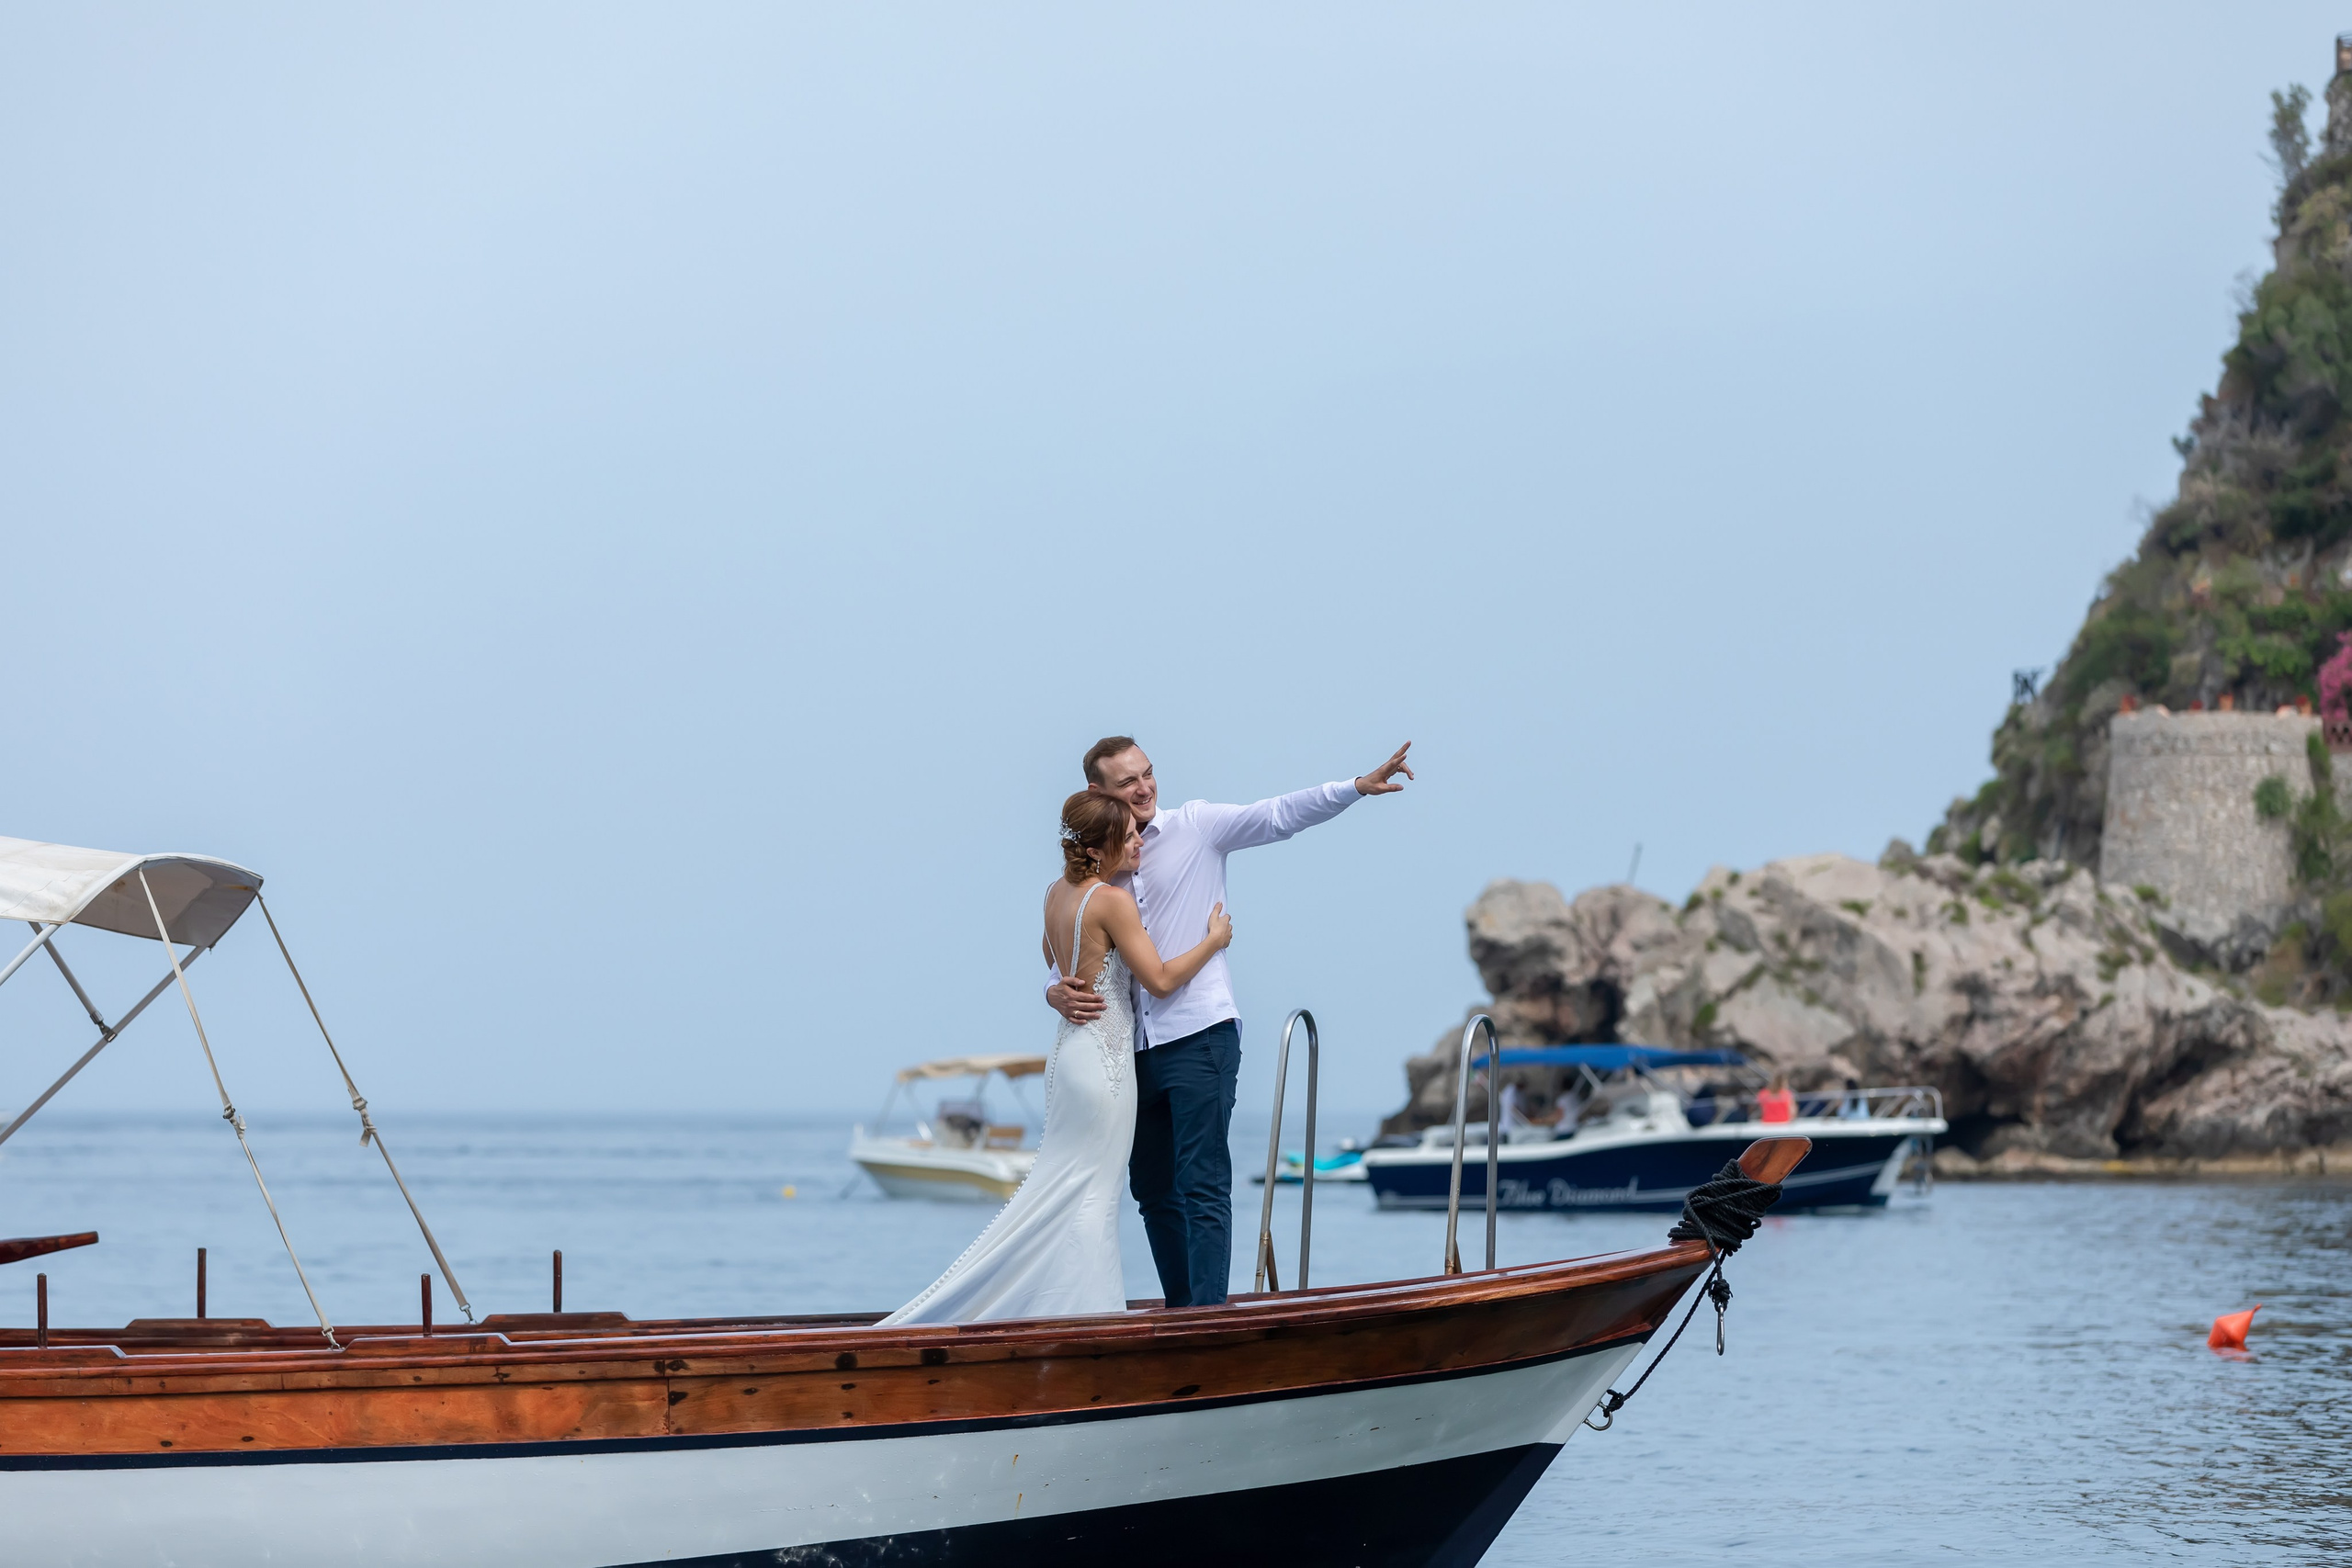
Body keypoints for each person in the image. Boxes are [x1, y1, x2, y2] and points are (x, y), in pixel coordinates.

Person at [1048, 736, 1413, 1308]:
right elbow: (1066, 949)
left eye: (1148, 774)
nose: (1144, 788)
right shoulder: (1103, 861)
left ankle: (1207, 1317)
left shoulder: (1197, 826)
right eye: (1127, 782)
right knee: (1151, 1189)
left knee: (1202, 1181)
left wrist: (1355, 789)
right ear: (1097, 792)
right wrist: (1053, 991)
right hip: (1128, 1049)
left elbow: (1276, 815)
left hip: (1200, 1033)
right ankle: (1181, 1308)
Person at [882, 793, 1231, 1325]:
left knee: (1068, 1184)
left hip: (1069, 1055)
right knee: (1094, 1192)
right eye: (1129, 836)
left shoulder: (1055, 892)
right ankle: (1089, 1316)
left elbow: (1054, 960)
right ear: (1098, 848)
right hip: (1106, 1062)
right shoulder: (1112, 901)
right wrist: (1213, 941)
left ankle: (1061, 1307)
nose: (1141, 840)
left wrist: (1059, 989)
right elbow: (1159, 981)